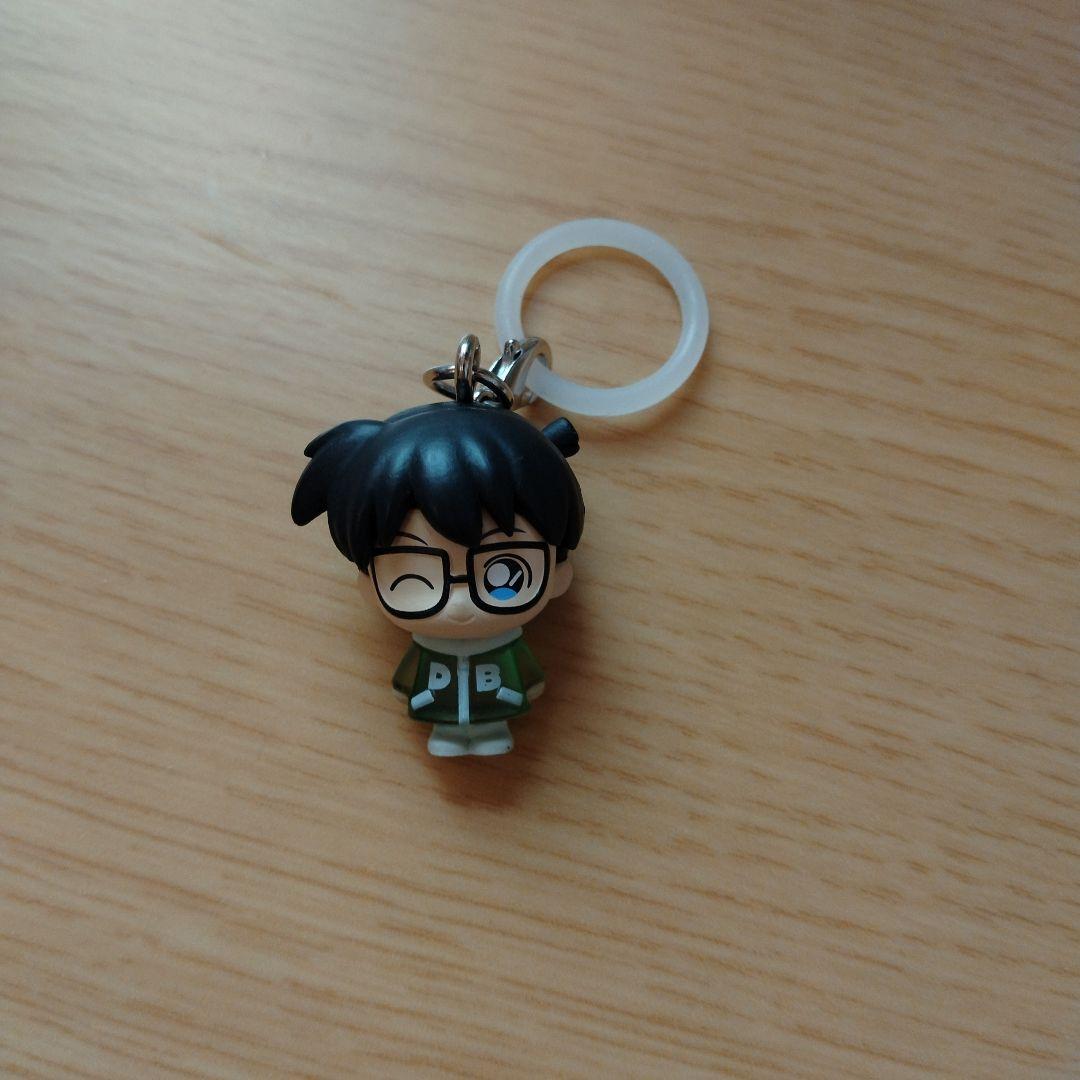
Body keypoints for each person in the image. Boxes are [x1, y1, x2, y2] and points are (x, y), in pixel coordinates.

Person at [292, 399, 585, 756]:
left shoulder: (505, 645)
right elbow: (404, 683)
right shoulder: (429, 648)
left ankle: (490, 733)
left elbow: (530, 678)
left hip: (497, 709)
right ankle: (447, 736)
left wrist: (527, 685)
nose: (459, 605)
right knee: (446, 731)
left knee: (492, 727)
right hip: (439, 711)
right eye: (413, 577)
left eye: (504, 572)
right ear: (369, 587)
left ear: (557, 575)